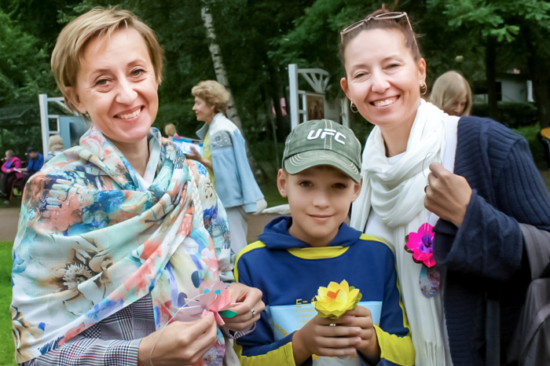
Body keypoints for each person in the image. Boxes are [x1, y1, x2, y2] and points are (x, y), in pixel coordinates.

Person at [11, 8, 264, 366]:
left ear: (157, 75)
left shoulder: (192, 177)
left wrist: (237, 308)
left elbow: (219, 285)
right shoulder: (52, 193)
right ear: (74, 98)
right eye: (103, 81)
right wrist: (141, 355)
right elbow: (35, 354)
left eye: (137, 72)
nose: (128, 95)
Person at [340, 8, 550, 366]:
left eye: (392, 66)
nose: (378, 84)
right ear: (348, 89)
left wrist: (471, 215)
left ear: (420, 71)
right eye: (361, 73)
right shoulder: (359, 176)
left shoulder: (488, 145)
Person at [234, 119, 415, 366]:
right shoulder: (252, 262)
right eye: (306, 184)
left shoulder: (378, 255)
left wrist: (372, 341)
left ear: (356, 189)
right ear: (283, 183)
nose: (321, 201)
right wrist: (301, 345)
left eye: (338, 186)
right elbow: (242, 359)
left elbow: (408, 354)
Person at [189, 80, 266, 254]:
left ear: (211, 104)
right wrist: (199, 159)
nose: (194, 107)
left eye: (198, 103)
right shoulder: (216, 129)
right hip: (227, 200)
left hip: (227, 201)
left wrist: (199, 160)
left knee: (235, 250)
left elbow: (225, 172)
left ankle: (243, 280)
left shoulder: (219, 132)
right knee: (229, 248)